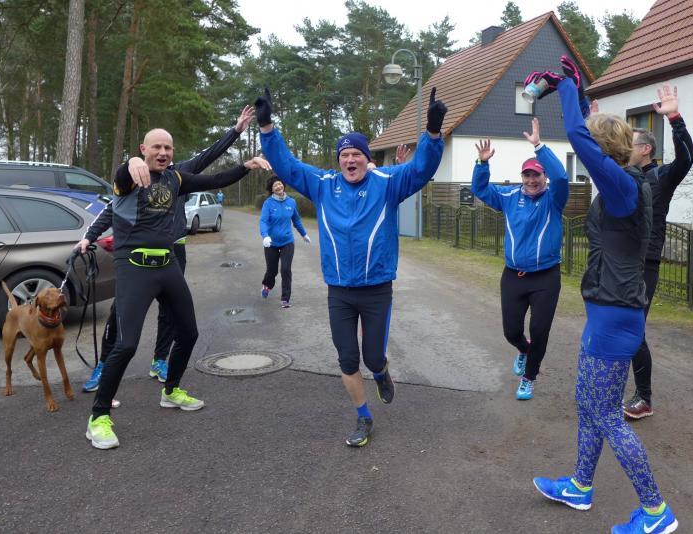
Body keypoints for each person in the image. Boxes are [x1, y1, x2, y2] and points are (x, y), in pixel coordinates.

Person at [531, 57, 678, 534]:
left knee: (607, 415)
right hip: (608, 312)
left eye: (592, 145)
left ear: (601, 149)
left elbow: (578, 138)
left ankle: (655, 511)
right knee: (587, 403)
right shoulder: (620, 184)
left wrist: (565, 88)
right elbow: (584, 140)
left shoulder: (623, 187)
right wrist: (578, 96)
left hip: (615, 317)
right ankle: (580, 485)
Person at [256, 86, 448, 447]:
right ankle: (363, 417)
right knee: (347, 359)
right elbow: (288, 166)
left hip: (376, 290)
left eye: (356, 153)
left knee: (373, 357)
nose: (350, 160)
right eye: (344, 155)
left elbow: (421, 169)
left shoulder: (387, 184)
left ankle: (382, 372)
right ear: (338, 160)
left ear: (366, 157)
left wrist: (433, 132)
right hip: (340, 291)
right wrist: (267, 127)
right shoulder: (323, 185)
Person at [84, 127, 269, 450]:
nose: (163, 152)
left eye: (168, 148)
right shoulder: (129, 178)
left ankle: (170, 391)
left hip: (167, 264)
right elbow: (122, 176)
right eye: (156, 147)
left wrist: (245, 166)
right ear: (143, 148)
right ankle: (98, 417)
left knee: (189, 332)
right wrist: (130, 163)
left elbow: (214, 179)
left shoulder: (176, 178)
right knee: (126, 345)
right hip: (135, 266)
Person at [471, 117, 568, 400]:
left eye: (536, 175)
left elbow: (562, 177)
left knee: (540, 329)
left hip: (546, 277)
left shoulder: (554, 198)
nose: (531, 180)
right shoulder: (510, 196)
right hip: (514, 276)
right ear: (521, 177)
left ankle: (529, 377)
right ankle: (523, 350)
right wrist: (482, 164)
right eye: (527, 175)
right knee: (511, 331)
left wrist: (539, 147)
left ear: (544, 176)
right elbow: (480, 190)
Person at [623, 84, 693, 420]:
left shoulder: (661, 177)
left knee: (634, 330)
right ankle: (614, 387)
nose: (625, 147)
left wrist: (675, 118)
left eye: (630, 143)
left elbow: (687, 158)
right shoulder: (623, 175)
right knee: (617, 325)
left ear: (646, 149)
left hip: (644, 262)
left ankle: (645, 398)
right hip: (618, 260)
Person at [260, 175, 311, 308]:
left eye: (280, 184)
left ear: (283, 184)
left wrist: (304, 234)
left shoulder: (291, 202)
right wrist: (265, 236)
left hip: (287, 241)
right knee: (272, 271)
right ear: (272, 189)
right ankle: (267, 286)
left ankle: (285, 299)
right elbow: (263, 221)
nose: (278, 186)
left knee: (286, 269)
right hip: (271, 242)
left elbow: (296, 220)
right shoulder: (268, 203)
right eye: (275, 185)